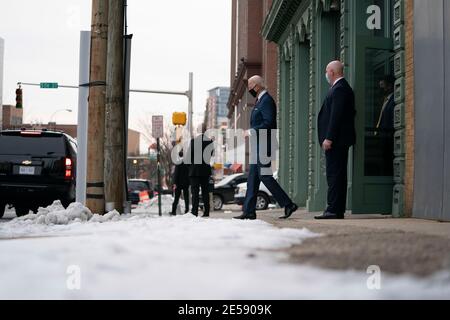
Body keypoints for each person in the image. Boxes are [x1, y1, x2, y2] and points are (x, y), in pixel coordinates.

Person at [234, 75, 298, 220]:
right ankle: (249, 211)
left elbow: (269, 122)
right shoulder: (259, 101)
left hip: (265, 144)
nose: (249, 89)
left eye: (250, 86)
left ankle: (288, 204)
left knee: (265, 176)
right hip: (258, 145)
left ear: (257, 85)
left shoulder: (266, 101)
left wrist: (251, 131)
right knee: (253, 178)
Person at [316, 61, 356, 220]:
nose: (326, 74)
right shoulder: (338, 88)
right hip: (337, 141)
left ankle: (333, 210)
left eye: (326, 71)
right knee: (335, 175)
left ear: (332, 72)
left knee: (335, 175)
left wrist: (329, 138)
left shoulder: (340, 89)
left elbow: (336, 116)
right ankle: (335, 209)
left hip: (336, 141)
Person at [186, 124, 214, 217]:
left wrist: (190, 167)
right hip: (205, 170)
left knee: (195, 193)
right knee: (205, 192)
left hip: (194, 171)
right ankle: (206, 212)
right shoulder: (210, 142)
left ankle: (195, 212)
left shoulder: (194, 141)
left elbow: (188, 157)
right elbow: (210, 155)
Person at [171, 151, 190, 215]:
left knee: (176, 198)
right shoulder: (187, 163)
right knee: (186, 197)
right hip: (186, 183)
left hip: (178, 183)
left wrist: (174, 183)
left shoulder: (178, 163)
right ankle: (187, 210)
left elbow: (176, 174)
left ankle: (173, 211)